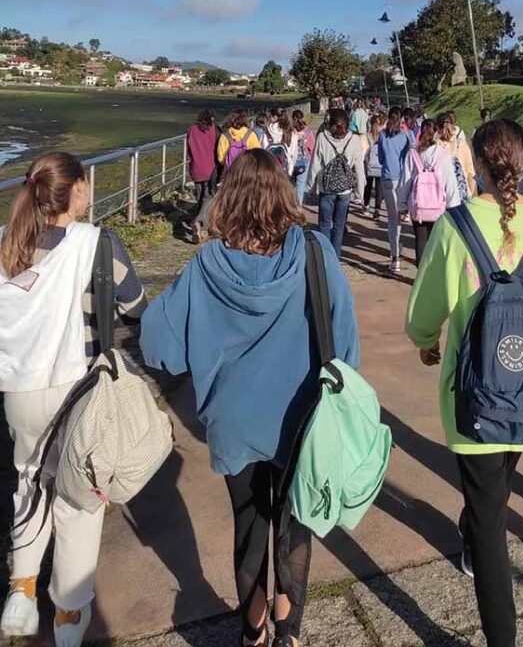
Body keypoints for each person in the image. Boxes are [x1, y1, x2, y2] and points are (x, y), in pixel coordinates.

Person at [140, 151, 360, 647]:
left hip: (234, 421)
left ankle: (252, 628)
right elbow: (345, 342)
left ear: (228, 197)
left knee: (250, 523)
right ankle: (290, 629)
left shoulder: (206, 266)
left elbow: (160, 348)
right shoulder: (315, 252)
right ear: (284, 194)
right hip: (302, 418)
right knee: (294, 525)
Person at [405, 121, 523, 647]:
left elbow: (424, 309)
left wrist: (425, 340)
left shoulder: (454, 226)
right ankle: (473, 534)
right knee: (494, 489)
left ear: (478, 170)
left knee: (490, 522)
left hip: (474, 405)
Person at [0, 152, 147, 647]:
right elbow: (135, 305)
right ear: (79, 190)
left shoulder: (6, 240)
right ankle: (68, 614)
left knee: (27, 482)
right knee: (79, 500)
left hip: (19, 391)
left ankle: (20, 594)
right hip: (77, 388)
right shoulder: (96, 244)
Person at [397, 120, 459, 265]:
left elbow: (405, 181)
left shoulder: (413, 154)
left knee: (420, 241)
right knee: (435, 242)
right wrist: (453, 207)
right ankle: (433, 273)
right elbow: (450, 183)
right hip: (438, 207)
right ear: (437, 133)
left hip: (418, 206)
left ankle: (420, 275)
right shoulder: (443, 155)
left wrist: (402, 205)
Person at [306, 109, 365, 259]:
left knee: (325, 225)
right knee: (339, 227)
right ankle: (335, 258)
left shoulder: (322, 138)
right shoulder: (354, 140)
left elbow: (315, 164)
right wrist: (360, 192)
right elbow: (359, 168)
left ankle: (324, 257)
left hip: (327, 188)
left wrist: (310, 186)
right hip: (345, 190)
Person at [377, 107, 411, 273]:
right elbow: (407, 159)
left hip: (386, 178)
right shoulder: (404, 136)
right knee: (398, 217)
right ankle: (396, 250)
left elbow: (381, 158)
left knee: (391, 218)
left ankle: (394, 255)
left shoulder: (382, 135)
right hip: (400, 178)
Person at [436, 113, 476, 199]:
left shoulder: (435, 146)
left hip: (443, 194)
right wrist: (470, 191)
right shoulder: (461, 143)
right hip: (462, 192)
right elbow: (470, 170)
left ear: (437, 128)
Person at [187, 109, 218, 216]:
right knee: (208, 195)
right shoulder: (212, 129)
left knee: (199, 195)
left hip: (196, 167)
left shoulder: (192, 129)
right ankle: (203, 219)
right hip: (210, 167)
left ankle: (198, 217)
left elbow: (189, 149)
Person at [363, 113, 384, 220]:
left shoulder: (367, 135)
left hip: (369, 165)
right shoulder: (383, 136)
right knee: (379, 188)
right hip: (380, 165)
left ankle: (366, 205)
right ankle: (377, 210)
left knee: (368, 186)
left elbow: (363, 151)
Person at [292, 110, 315, 206]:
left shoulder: (291, 131)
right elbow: (311, 148)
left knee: (290, 183)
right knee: (300, 184)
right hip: (304, 160)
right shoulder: (308, 132)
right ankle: (298, 206)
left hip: (291, 160)